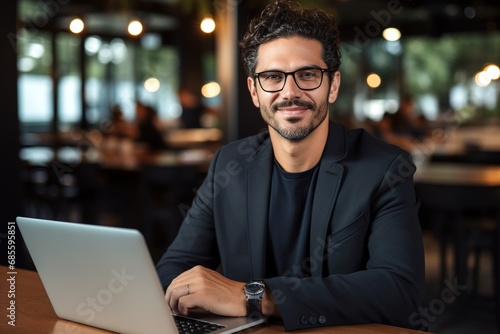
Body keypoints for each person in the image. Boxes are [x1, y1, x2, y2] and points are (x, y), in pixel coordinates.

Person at [156, 0, 425, 331]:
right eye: (272, 77)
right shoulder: (230, 164)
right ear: (255, 90)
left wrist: (255, 297)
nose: (290, 91)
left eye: (308, 75)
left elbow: (400, 291)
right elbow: (174, 268)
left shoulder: (384, 169)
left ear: (333, 85)